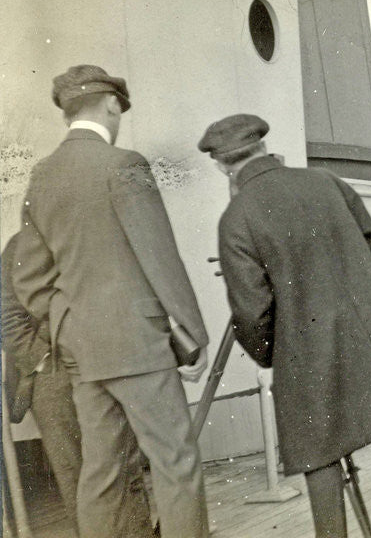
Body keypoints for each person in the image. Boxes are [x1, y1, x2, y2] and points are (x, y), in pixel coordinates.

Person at [201, 114, 371, 538]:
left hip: (305, 355)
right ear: (264, 147)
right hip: (370, 338)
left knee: (320, 456)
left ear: (223, 165)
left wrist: (274, 352)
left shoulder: (236, 218)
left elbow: (250, 310)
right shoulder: (328, 182)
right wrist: (363, 307)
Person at [13, 65, 210, 538]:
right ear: (111, 104)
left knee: (100, 476)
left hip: (83, 354)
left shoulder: (42, 175)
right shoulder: (126, 164)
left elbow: (29, 277)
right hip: (140, 345)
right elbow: (160, 258)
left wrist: (68, 324)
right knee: (175, 464)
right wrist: (193, 333)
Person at [2, 234, 156, 537]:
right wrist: (43, 359)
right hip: (52, 377)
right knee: (75, 476)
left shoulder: (89, 232)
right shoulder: (19, 248)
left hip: (103, 363)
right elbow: (6, 317)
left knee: (126, 464)